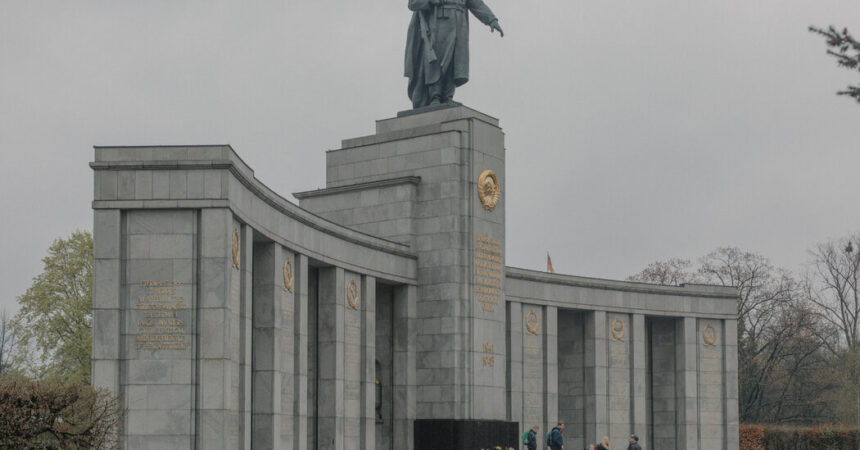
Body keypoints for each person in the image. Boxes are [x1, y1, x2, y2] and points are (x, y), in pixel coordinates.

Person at [404, 0, 504, 108]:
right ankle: (435, 97)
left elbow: (476, 3)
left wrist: (491, 19)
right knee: (437, 60)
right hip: (439, 19)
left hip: (460, 21)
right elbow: (413, 3)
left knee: (455, 61)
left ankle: (448, 96)